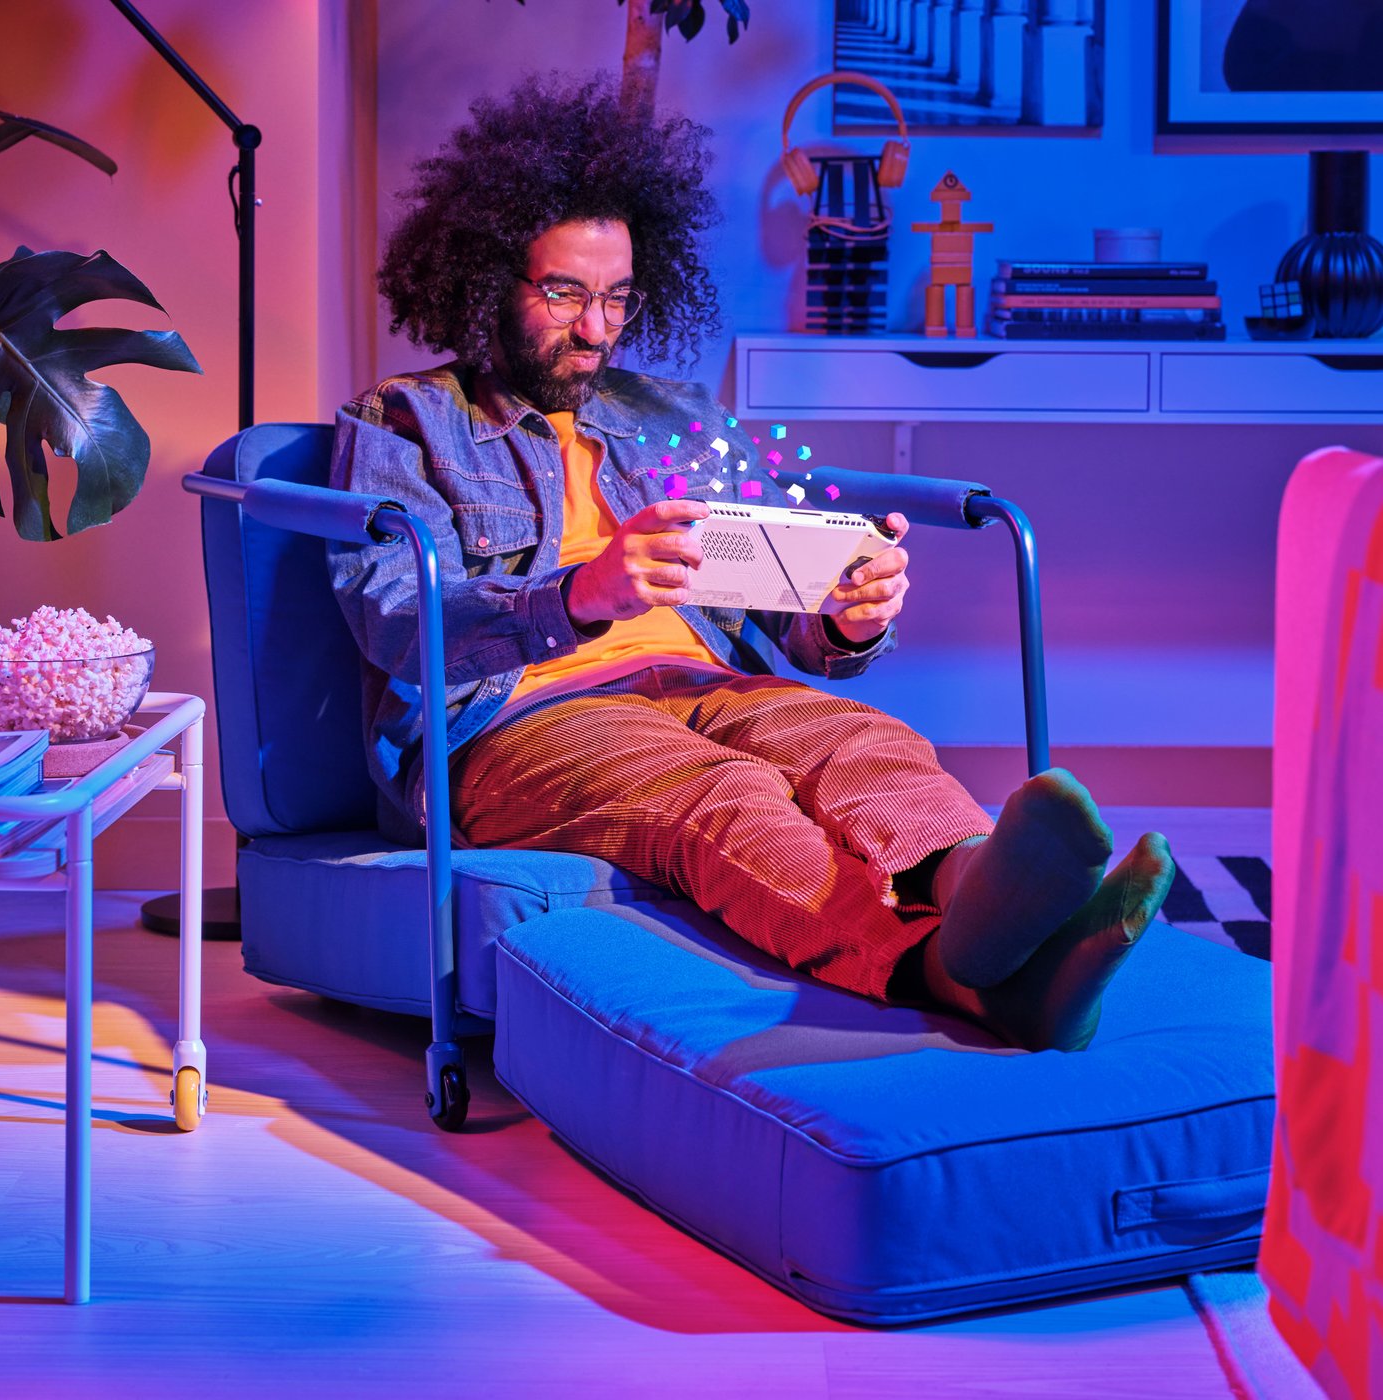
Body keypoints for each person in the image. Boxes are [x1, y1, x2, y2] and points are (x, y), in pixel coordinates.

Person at [329, 73, 1175, 1053]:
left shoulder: (672, 414)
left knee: (859, 738)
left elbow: (781, 615)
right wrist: (577, 594)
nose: (597, 328)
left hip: (701, 678)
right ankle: (947, 973)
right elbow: (392, 615)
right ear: (484, 280)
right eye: (563, 293)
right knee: (721, 796)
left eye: (614, 297)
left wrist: (842, 616)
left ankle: (979, 884)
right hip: (517, 717)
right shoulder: (403, 421)